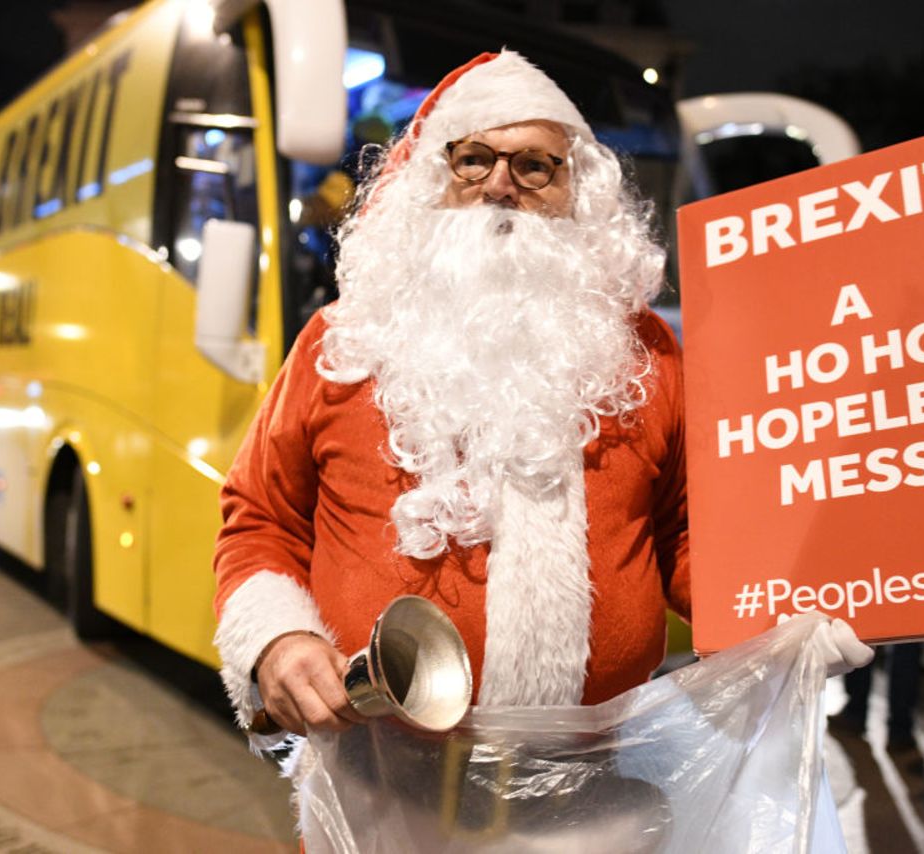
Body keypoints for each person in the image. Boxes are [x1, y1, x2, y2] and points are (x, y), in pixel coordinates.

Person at [211, 49, 869, 807]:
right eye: (474, 158)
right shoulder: (340, 343)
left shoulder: (645, 352)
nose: (500, 184)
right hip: (381, 789)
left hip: (590, 789)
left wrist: (785, 625)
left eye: (535, 166)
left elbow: (685, 535)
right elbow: (258, 520)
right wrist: (278, 640)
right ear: (434, 174)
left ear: (577, 193)